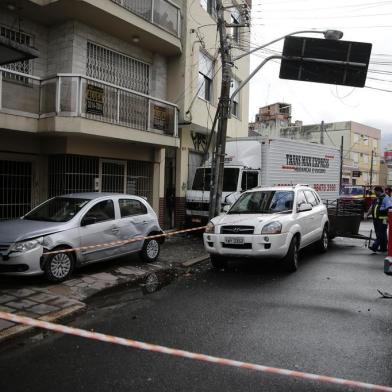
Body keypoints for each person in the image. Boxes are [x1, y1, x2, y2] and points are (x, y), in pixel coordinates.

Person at [367, 186, 391, 252]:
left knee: (380, 234)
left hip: (383, 219)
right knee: (382, 234)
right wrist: (367, 215)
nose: (374, 193)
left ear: (378, 191)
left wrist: (389, 218)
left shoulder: (386, 198)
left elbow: (389, 208)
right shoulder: (376, 199)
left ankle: (374, 246)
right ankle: (383, 248)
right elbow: (372, 207)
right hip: (376, 219)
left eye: (375, 192)